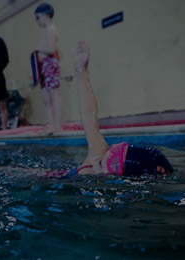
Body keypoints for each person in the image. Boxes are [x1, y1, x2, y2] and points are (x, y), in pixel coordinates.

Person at [46, 41, 173, 177]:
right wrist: (80, 70)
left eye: (105, 164)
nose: (99, 162)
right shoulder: (98, 154)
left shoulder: (97, 173)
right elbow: (89, 112)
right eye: (109, 153)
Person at [34, 3, 62, 134]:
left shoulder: (50, 29)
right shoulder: (46, 30)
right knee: (46, 98)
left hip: (49, 64)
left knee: (54, 95)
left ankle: (57, 126)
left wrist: (37, 49)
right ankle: (51, 124)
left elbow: (51, 49)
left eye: (37, 17)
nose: (37, 21)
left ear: (45, 15)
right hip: (44, 66)